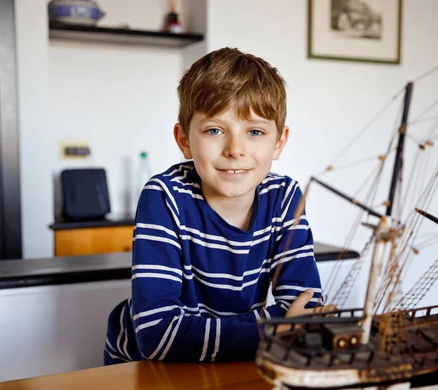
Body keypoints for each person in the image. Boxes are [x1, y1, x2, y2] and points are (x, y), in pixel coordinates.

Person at [104, 47, 336, 364]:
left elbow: (306, 307)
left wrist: (276, 329)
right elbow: (157, 335)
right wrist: (273, 330)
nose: (235, 150)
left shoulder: (284, 197)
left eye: (255, 131)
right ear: (184, 139)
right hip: (143, 368)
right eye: (215, 130)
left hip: (237, 359)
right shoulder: (164, 196)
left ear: (279, 142)